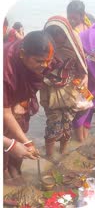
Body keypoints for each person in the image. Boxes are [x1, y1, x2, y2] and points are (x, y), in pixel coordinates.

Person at [3, 31, 52, 179]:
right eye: (39, 61)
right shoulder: (5, 68)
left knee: (18, 136)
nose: (44, 65)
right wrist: (11, 145)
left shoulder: (44, 55)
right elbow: (5, 113)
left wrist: (27, 143)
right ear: (23, 54)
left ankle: (13, 171)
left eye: (47, 61)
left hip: (18, 103)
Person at [42, 16, 88, 154]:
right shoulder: (43, 48)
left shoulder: (74, 46)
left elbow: (83, 70)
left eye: (60, 34)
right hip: (51, 94)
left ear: (65, 33)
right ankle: (49, 156)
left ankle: (62, 154)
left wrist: (85, 84)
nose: (57, 38)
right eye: (53, 34)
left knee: (67, 128)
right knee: (53, 127)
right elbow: (38, 72)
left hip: (70, 93)